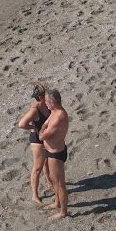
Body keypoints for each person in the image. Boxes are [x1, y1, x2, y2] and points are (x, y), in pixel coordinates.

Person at [15, 82, 51, 204]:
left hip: (46, 137)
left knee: (46, 163)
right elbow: (21, 124)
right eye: (46, 93)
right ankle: (34, 195)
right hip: (37, 140)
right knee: (37, 168)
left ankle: (50, 182)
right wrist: (33, 127)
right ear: (41, 96)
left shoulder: (47, 104)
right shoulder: (35, 110)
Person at [39, 89, 70, 218]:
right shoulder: (54, 112)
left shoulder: (60, 116)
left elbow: (42, 136)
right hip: (51, 151)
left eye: (47, 101)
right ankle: (57, 202)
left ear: (53, 102)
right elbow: (44, 125)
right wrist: (43, 131)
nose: (45, 103)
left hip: (56, 154)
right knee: (53, 180)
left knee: (59, 183)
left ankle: (63, 212)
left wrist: (42, 133)